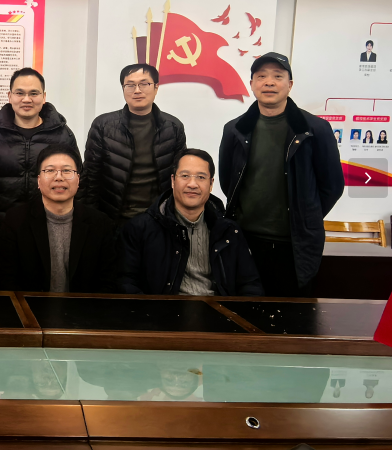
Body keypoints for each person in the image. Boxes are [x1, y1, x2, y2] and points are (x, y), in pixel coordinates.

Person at [219, 52, 344, 297]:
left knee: (294, 314)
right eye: (261, 76)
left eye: (277, 76)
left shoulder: (315, 129)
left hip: (295, 244)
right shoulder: (234, 129)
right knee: (246, 312)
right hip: (246, 240)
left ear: (290, 84)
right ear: (252, 83)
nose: (269, 82)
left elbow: (332, 186)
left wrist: (304, 216)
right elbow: (228, 181)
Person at [118, 149, 263, 296]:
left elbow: (250, 285)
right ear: (173, 181)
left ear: (211, 184)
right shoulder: (139, 229)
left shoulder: (229, 231)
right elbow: (126, 284)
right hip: (164, 309)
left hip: (218, 307)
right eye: (185, 176)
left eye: (201, 177)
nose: (192, 184)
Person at [0, 144, 117, 293]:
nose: (59, 177)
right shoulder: (16, 221)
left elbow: (107, 282)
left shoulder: (100, 223)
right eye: (50, 171)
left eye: (67, 171)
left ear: (78, 180)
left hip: (84, 307)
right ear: (39, 180)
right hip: (29, 306)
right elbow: (5, 279)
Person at [0, 68, 78, 235]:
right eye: (20, 93)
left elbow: (76, 181)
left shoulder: (62, 135)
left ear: (44, 97)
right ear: (10, 96)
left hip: (49, 227)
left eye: (34, 93)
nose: (27, 99)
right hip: (1, 227)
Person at [83, 63, 187, 225]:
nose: (137, 90)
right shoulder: (103, 126)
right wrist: (90, 217)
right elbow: (91, 177)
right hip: (113, 218)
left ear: (156, 87)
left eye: (144, 84)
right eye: (130, 85)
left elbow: (180, 175)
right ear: (123, 89)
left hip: (158, 217)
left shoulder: (173, 127)